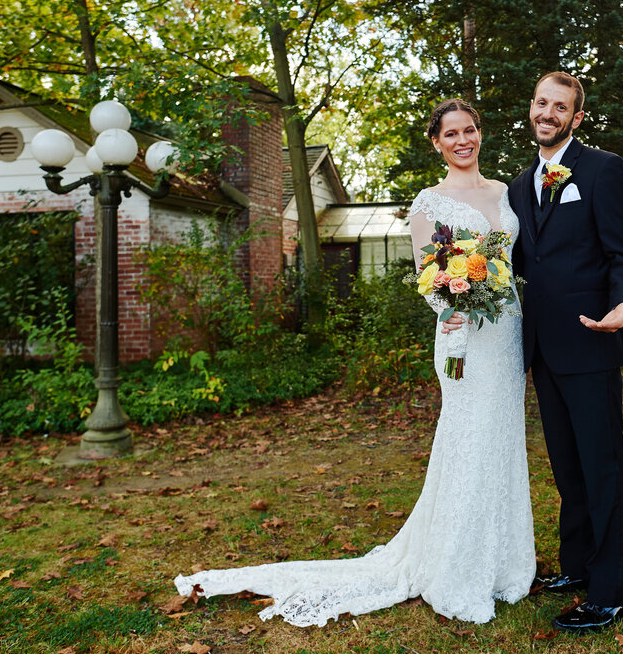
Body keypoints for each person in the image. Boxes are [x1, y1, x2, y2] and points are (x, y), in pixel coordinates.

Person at [172, 98, 535, 627]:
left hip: (506, 333)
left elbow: (517, 259)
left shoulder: (506, 193)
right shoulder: (429, 203)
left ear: (481, 133)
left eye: (471, 130)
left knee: (502, 439)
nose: (463, 140)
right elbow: (426, 275)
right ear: (436, 143)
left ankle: (502, 564)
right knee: (468, 439)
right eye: (451, 133)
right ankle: (456, 567)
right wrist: (452, 305)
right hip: (462, 335)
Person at [449, 71, 623, 633]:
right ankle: (579, 566)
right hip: (537, 345)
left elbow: (622, 252)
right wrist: (462, 285)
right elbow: (517, 264)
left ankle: (612, 591)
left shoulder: (602, 169)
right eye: (541, 102)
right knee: (567, 465)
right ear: (530, 109)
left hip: (591, 338)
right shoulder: (516, 184)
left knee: (603, 467)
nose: (548, 112)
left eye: (560, 106)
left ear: (576, 118)